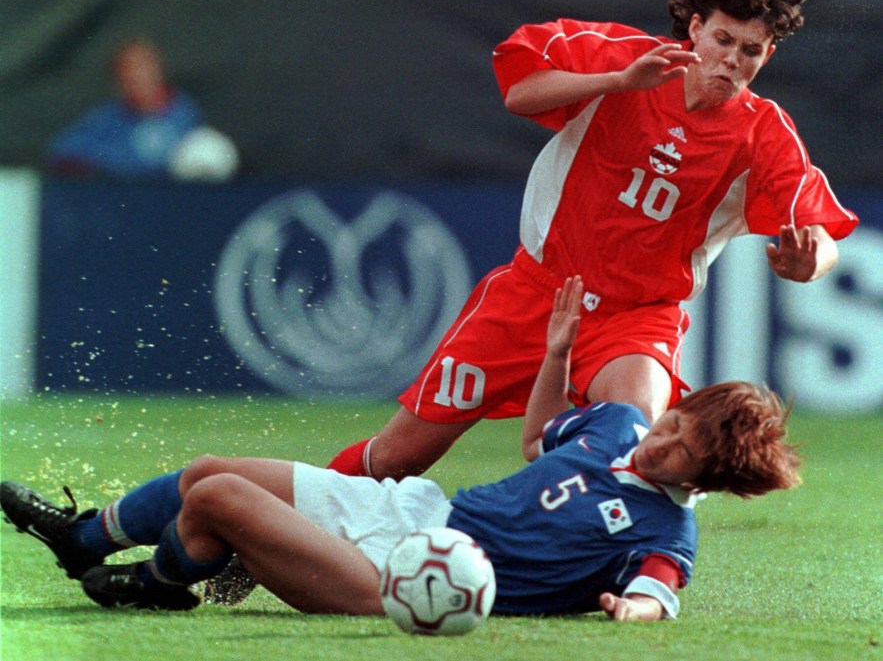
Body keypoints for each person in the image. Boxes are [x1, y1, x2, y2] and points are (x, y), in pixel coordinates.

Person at [325, 0, 858, 482]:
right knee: (395, 459)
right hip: (536, 294)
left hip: (635, 318)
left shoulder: (763, 133)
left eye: (750, 50)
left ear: (766, 56)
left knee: (629, 445)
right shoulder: (618, 54)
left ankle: (577, 556)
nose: (731, 61)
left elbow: (820, 231)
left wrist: (809, 264)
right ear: (695, 28)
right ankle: (261, 534)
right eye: (723, 39)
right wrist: (619, 82)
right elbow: (520, 91)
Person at [0, 277, 802, 621]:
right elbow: (535, 439)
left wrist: (634, 610)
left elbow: (657, 596)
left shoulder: (666, 535)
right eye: (672, 421)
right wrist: (556, 354)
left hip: (414, 582)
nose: (660, 441)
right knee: (209, 471)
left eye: (680, 449)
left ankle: (154, 581)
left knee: (215, 503)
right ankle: (82, 539)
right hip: (415, 512)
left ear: (710, 473)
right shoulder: (620, 427)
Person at [47, 37, 209, 179]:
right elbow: (63, 153)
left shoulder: (186, 114)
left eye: (144, 68)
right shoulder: (105, 119)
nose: (138, 77)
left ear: (159, 70)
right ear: (118, 82)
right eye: (130, 72)